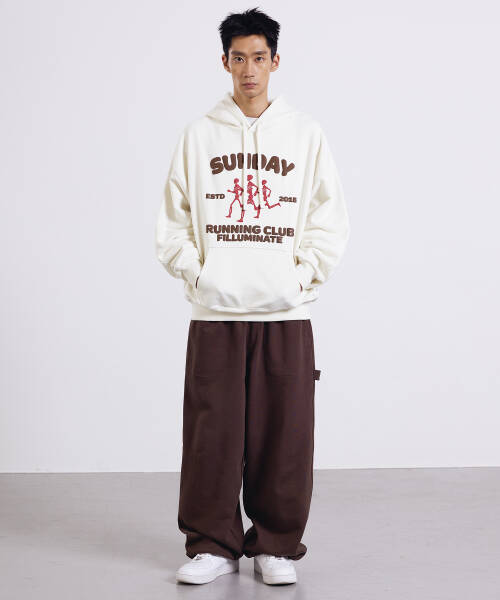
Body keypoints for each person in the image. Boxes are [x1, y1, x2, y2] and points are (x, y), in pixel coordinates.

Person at [155, 7, 350, 586]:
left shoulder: (305, 134)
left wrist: (301, 278)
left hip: (285, 312)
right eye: (238, 58)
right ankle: (212, 545)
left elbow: (329, 218)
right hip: (215, 311)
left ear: (275, 62)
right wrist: (199, 277)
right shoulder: (198, 135)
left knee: (284, 433)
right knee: (211, 433)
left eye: (258, 58)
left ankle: (276, 546)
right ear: (224, 63)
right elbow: (173, 222)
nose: (248, 70)